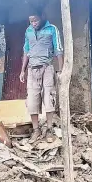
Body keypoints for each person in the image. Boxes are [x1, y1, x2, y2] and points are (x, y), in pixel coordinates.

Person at [19, 10, 64, 143]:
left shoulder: (52, 29)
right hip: (32, 70)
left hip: (47, 68)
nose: (33, 23)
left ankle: (49, 129)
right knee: (32, 100)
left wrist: (61, 70)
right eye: (31, 21)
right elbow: (26, 51)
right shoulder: (28, 31)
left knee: (49, 98)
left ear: (43, 17)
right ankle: (36, 130)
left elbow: (58, 50)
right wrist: (22, 70)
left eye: (36, 20)